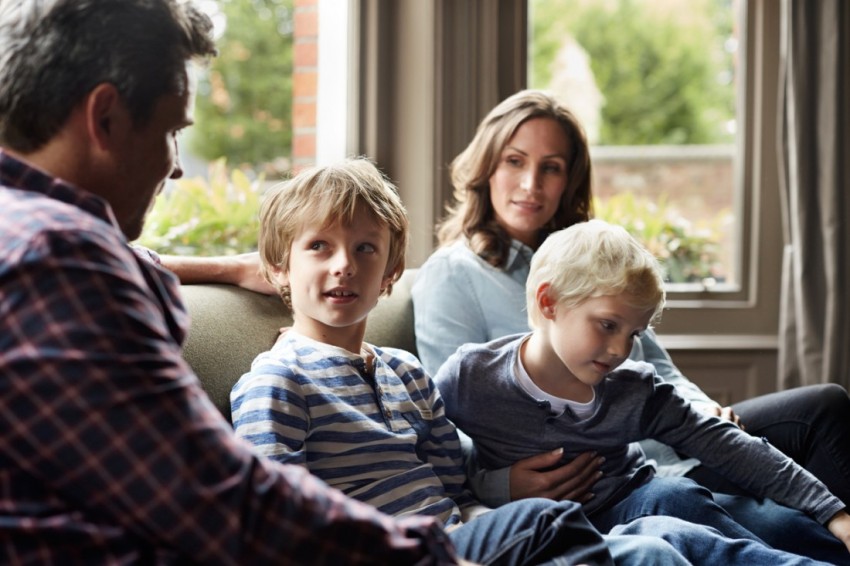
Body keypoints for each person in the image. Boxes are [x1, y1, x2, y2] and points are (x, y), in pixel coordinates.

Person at [0, 2, 474, 562]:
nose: (176, 166)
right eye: (173, 129)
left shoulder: (28, 234)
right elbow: (226, 504)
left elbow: (131, 263)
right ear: (105, 118)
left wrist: (227, 266)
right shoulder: (58, 261)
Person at [229, 156, 842, 566]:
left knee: (667, 536)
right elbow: (269, 524)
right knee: (566, 521)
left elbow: (455, 481)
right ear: (280, 268)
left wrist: (489, 505)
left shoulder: (405, 372)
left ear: (391, 273)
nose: (344, 265)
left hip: (471, 533)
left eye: (366, 249)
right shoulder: (276, 381)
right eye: (319, 248)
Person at [410, 88, 850, 562]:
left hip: (660, 444)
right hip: (602, 482)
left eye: (551, 167)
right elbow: (446, 424)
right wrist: (502, 485)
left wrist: (700, 408)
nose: (531, 183)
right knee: (708, 518)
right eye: (515, 161)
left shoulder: (598, 263)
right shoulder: (455, 278)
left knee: (821, 408)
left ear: (569, 180)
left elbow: (656, 366)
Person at [434, 219, 850, 563]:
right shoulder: (470, 377)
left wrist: (833, 511)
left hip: (638, 497)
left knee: (707, 506)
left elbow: (731, 446)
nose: (620, 350)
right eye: (607, 325)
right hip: (553, 530)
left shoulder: (632, 388)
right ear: (549, 303)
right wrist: (497, 485)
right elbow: (432, 455)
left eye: (634, 333)